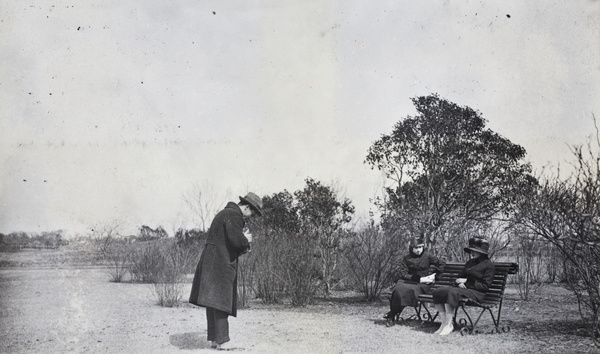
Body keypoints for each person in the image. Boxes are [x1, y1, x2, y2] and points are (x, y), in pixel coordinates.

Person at [189, 192, 263, 350]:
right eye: (253, 213)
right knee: (222, 300)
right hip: (220, 263)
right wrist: (246, 241)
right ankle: (223, 342)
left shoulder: (223, 213)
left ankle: (215, 340)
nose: (251, 217)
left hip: (210, 262)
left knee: (212, 301)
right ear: (246, 207)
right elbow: (236, 242)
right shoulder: (235, 215)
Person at [431, 237, 495, 336]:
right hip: (464, 290)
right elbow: (459, 277)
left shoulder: (488, 265)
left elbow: (485, 286)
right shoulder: (470, 263)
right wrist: (459, 282)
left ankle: (449, 325)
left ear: (482, 252)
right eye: (471, 251)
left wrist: (467, 282)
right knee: (438, 291)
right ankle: (443, 323)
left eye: (474, 251)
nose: (471, 253)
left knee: (451, 292)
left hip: (477, 294)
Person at [384, 235, 445, 327]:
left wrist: (434, 276)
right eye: (416, 248)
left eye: (420, 247)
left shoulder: (428, 256)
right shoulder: (406, 258)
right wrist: (417, 278)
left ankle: (392, 314)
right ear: (411, 248)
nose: (418, 250)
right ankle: (393, 314)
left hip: (423, 284)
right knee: (398, 289)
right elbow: (403, 274)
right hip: (410, 280)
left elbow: (441, 263)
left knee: (410, 291)